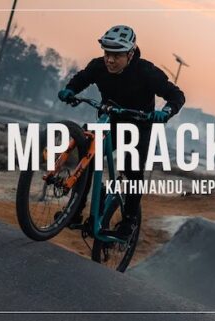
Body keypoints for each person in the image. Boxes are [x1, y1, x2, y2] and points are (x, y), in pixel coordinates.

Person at [57, 25, 185, 240]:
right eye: (107, 54)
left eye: (116, 55)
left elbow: (176, 95)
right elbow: (82, 78)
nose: (110, 60)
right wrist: (70, 90)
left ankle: (130, 220)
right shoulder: (98, 66)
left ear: (130, 53)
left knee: (132, 170)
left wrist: (165, 112)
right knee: (88, 159)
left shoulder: (146, 72)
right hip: (110, 121)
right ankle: (75, 210)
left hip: (138, 127)